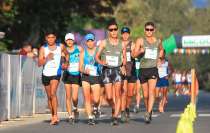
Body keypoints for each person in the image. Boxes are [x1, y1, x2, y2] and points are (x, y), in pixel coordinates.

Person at [95, 21, 126, 126]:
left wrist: (123, 66)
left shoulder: (122, 43)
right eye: (111, 30)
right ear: (109, 31)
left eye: (115, 29)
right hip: (106, 70)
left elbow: (125, 58)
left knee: (117, 95)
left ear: (117, 30)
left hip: (117, 70)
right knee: (108, 97)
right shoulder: (104, 42)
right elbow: (97, 57)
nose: (113, 31)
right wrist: (101, 62)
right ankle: (114, 108)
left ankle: (115, 117)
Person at [132, 22, 164, 124]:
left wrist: (159, 58)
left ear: (154, 30)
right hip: (143, 69)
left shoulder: (158, 41)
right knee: (145, 95)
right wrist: (139, 52)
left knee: (151, 92)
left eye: (151, 29)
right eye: (147, 29)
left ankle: (148, 112)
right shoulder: (140, 40)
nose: (149, 31)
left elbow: (162, 50)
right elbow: (133, 55)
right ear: (144, 30)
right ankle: (148, 111)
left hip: (153, 69)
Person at [38, 31, 68, 125]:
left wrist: (66, 63)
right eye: (48, 37)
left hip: (56, 73)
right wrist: (46, 58)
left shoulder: (61, 46)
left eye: (52, 37)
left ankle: (55, 116)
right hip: (45, 74)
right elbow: (39, 63)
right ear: (46, 38)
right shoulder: (43, 48)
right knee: (49, 96)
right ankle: (52, 116)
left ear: (55, 38)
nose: (50, 39)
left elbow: (67, 54)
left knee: (53, 93)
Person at [80, 33, 101, 125]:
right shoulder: (83, 53)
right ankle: (90, 117)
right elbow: (79, 67)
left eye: (91, 41)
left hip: (96, 76)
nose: (90, 43)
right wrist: (84, 70)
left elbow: (104, 59)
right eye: (88, 41)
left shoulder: (98, 51)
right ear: (86, 42)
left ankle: (96, 107)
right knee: (87, 98)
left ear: (94, 41)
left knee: (96, 100)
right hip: (86, 77)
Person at [62, 33, 83, 124]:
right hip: (67, 74)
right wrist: (64, 64)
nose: (69, 41)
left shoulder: (79, 49)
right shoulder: (64, 51)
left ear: (73, 40)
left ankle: (75, 108)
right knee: (68, 96)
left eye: (71, 40)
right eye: (67, 40)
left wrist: (82, 66)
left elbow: (84, 58)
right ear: (65, 41)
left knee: (74, 97)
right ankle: (70, 116)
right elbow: (62, 63)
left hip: (76, 74)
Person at [120, 27, 136, 122]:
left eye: (127, 33)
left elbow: (135, 54)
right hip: (123, 70)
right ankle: (122, 112)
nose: (125, 35)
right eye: (123, 33)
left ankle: (127, 107)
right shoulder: (119, 44)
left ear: (129, 34)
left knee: (130, 94)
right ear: (121, 34)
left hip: (132, 70)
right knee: (124, 92)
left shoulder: (132, 44)